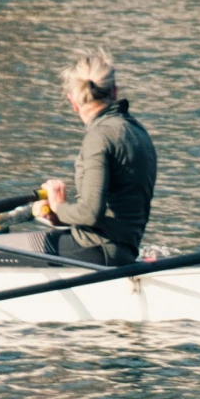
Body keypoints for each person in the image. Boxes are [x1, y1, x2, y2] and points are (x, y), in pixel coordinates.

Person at [33, 47, 157, 265]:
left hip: (96, 251)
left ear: (73, 101)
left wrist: (58, 206)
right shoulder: (138, 131)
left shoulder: (98, 138)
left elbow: (90, 213)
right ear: (115, 92)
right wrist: (61, 216)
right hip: (123, 249)